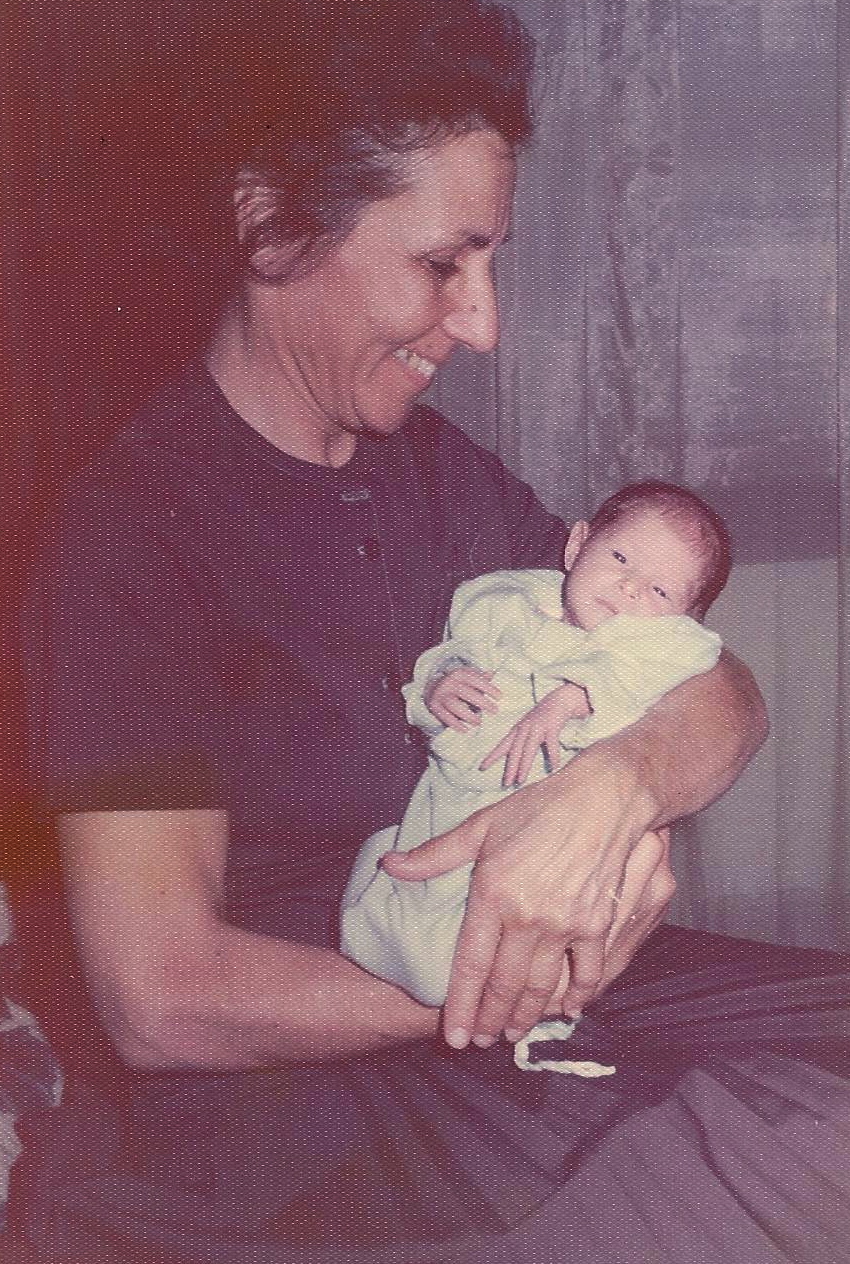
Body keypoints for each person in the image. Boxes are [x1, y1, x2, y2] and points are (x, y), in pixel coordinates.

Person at [13, 3, 850, 1261]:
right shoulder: (130, 536)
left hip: (500, 994)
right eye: (443, 264)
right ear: (272, 225)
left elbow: (712, 681)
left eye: (492, 263)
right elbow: (163, 998)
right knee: (789, 1149)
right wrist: (514, 982)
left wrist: (620, 783)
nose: (484, 323)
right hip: (280, 1111)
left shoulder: (433, 474)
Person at [341, 482, 729, 1012]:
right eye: (620, 558)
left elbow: (672, 666)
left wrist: (576, 696)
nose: (630, 587)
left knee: (449, 970)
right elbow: (452, 655)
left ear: (683, 618)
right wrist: (441, 683)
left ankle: (532, 997)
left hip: (553, 830)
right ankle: (380, 896)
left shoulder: (651, 647)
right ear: (577, 545)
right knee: (408, 915)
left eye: (660, 592)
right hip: (455, 799)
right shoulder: (502, 603)